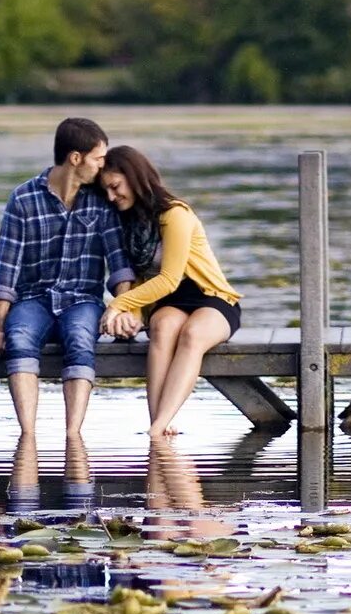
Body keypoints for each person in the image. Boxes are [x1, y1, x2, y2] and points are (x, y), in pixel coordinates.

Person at [0, 117, 133, 440]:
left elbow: (119, 265)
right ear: (75, 158)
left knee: (80, 338)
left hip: (83, 301)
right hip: (33, 299)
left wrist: (124, 308)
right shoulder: (23, 199)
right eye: (98, 158)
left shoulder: (100, 201)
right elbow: (5, 269)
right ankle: (28, 435)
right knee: (19, 336)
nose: (103, 166)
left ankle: (72, 435)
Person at [96, 146, 243, 439]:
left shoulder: (175, 214)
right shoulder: (128, 223)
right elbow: (139, 278)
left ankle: (158, 426)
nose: (112, 197)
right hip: (169, 302)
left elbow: (168, 278)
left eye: (115, 187)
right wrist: (131, 315)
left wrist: (116, 305)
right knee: (162, 328)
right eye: (107, 193)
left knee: (192, 335)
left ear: (134, 176)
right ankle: (158, 423)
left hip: (210, 296)